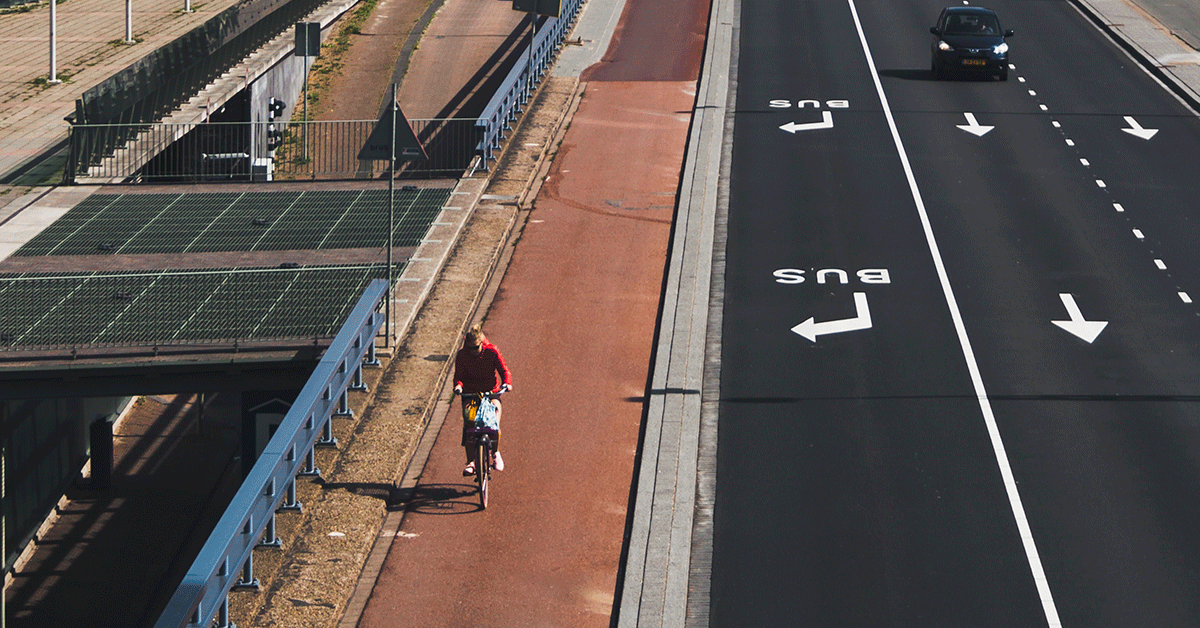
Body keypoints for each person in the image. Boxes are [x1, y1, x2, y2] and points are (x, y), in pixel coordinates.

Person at [453, 324, 512, 476]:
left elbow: (504, 370)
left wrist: (507, 383)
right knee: (469, 425)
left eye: (475, 347)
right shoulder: (462, 355)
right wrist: (458, 387)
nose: (472, 351)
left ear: (481, 343)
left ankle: (496, 453)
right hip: (470, 394)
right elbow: (458, 377)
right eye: (469, 347)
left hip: (490, 392)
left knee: (493, 422)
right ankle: (471, 461)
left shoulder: (492, 351)